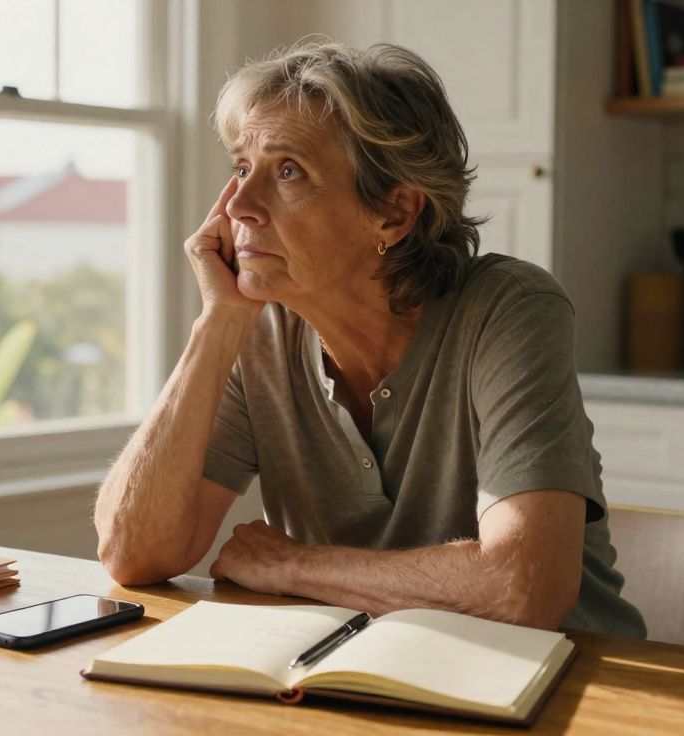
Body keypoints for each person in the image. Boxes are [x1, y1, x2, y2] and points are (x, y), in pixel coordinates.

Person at [93, 41, 647, 638]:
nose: (240, 207)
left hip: (569, 691)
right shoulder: (259, 328)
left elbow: (523, 587)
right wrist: (218, 321)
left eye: (287, 171)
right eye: (239, 169)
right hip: (359, 683)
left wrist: (294, 565)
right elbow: (132, 553)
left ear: (394, 213)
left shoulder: (508, 310)